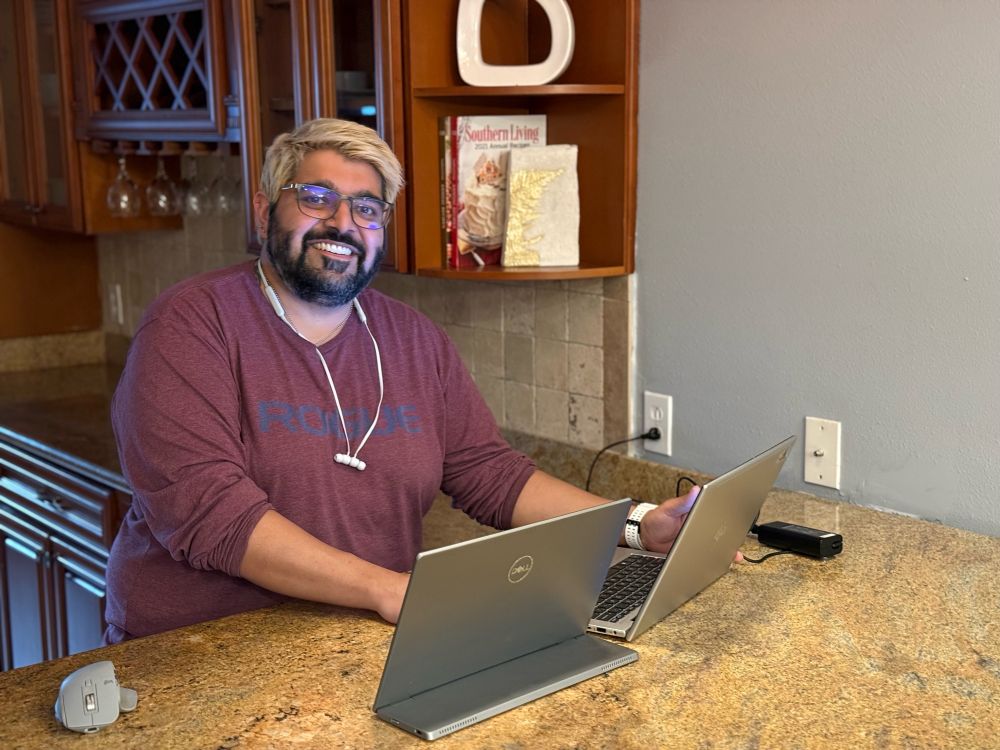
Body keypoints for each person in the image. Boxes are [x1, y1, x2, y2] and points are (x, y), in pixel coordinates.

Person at [103, 118, 701, 643]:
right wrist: (389, 590)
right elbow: (212, 514)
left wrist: (636, 525)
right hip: (197, 652)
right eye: (317, 198)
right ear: (264, 210)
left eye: (367, 208)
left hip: (355, 640)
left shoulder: (414, 339)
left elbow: (489, 473)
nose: (343, 223)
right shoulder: (189, 327)